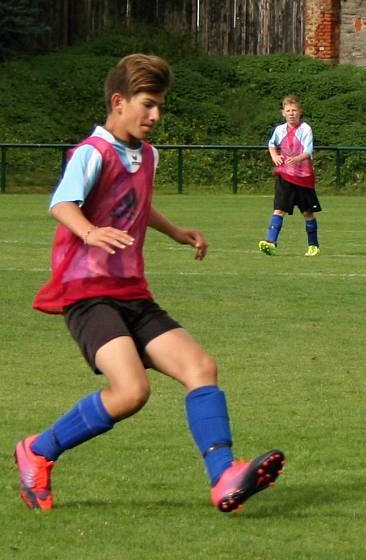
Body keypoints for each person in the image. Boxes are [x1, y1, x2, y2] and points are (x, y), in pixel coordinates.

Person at [15, 54, 285, 513]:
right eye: (148, 105)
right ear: (119, 102)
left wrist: (176, 231)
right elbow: (62, 203)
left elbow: (136, 204)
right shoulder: (91, 152)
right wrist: (89, 231)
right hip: (87, 295)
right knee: (131, 391)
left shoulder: (148, 155)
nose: (156, 115)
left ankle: (223, 478)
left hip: (132, 293)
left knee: (200, 366)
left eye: (160, 106)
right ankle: (37, 451)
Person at [259, 95, 321, 257]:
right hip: (285, 176)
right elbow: (272, 144)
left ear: (300, 112)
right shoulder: (279, 130)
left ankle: (313, 245)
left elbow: (308, 151)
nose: (291, 113)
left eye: (294, 110)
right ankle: (271, 243)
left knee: (307, 213)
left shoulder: (305, 129)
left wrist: (296, 159)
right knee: (279, 210)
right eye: (288, 111)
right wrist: (274, 156)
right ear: (283, 113)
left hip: (303, 177)